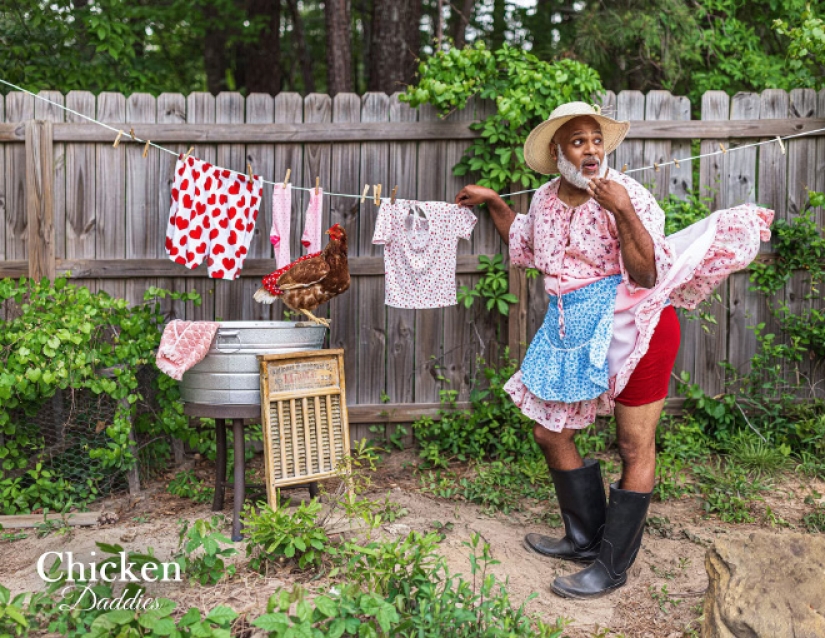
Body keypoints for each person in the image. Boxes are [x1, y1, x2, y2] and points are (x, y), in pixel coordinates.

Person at [454, 101, 772, 599]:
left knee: (632, 445)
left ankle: (611, 564)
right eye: (579, 141)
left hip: (637, 325)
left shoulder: (630, 195)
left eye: (596, 140)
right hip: (572, 329)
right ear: (558, 151)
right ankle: (583, 540)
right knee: (549, 432)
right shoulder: (544, 199)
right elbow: (527, 244)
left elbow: (646, 274)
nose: (591, 151)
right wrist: (495, 200)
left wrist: (620, 208)